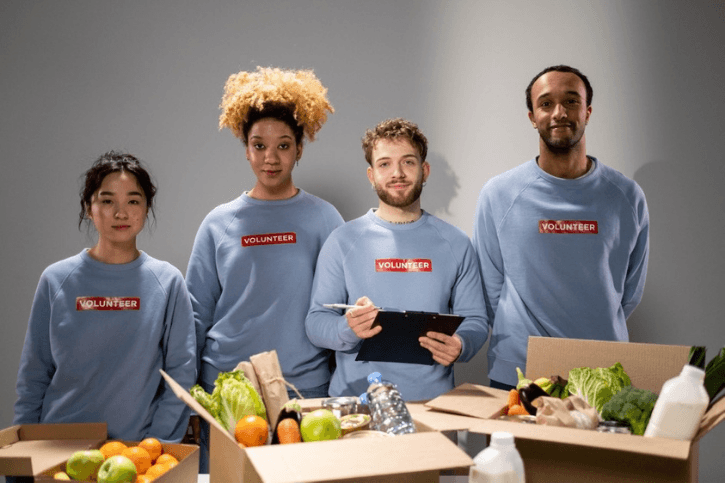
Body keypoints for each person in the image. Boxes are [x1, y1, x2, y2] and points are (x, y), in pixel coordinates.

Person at [186, 66, 343, 460]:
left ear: (300, 149)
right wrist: (189, 398)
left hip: (302, 390)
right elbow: (194, 318)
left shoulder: (325, 219)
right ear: (246, 148)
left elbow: (340, 310)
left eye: (284, 146)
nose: (270, 158)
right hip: (229, 392)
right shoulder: (219, 223)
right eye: (259, 145)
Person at [472, 65, 650, 390]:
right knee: (508, 446)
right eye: (545, 104)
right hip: (519, 372)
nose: (559, 113)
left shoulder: (626, 197)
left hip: (602, 373)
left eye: (571, 102)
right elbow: (489, 288)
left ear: (588, 111)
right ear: (532, 116)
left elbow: (629, 291)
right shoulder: (499, 194)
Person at [13, 151, 196, 442]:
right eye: (107, 200)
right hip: (58, 451)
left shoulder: (167, 282)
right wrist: (23, 456)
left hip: (136, 457)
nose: (120, 213)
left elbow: (181, 375)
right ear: (88, 207)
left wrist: (157, 445)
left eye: (133, 201)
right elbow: (33, 377)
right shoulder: (56, 280)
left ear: (146, 207)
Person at [305, 118, 488, 401]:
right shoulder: (342, 241)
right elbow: (316, 322)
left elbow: (475, 319)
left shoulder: (456, 243)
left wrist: (461, 344)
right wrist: (348, 328)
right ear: (371, 175)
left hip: (434, 404)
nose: (397, 173)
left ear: (424, 171)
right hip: (358, 403)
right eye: (385, 164)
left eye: (408, 162)